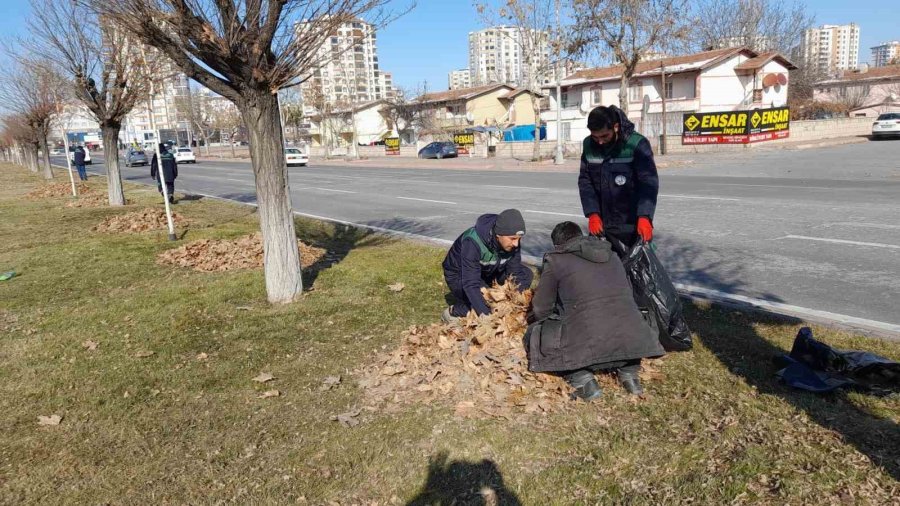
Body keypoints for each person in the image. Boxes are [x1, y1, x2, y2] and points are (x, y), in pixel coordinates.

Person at [525, 221, 665, 400]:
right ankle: (629, 375)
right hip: (633, 342)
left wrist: (542, 323)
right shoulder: (612, 255)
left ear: (558, 245)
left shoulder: (556, 260)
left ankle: (583, 380)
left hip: (587, 347)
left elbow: (541, 307)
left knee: (537, 332)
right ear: (580, 236)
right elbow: (626, 295)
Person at [578, 105, 659, 249]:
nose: (600, 141)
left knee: (636, 269)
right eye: (595, 137)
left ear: (615, 127)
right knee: (601, 268)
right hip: (602, 224)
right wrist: (592, 213)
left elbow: (648, 183)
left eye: (604, 136)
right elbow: (586, 181)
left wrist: (645, 216)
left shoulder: (636, 144)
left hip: (631, 223)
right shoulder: (589, 145)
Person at [441, 209, 534, 322]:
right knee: (486, 302)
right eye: (513, 239)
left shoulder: (512, 242)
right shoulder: (472, 242)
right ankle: (455, 311)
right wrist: (488, 316)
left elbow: (515, 273)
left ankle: (503, 305)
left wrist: (514, 302)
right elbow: (471, 284)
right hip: (460, 276)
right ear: (498, 235)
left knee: (526, 274)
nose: (516, 244)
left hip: (487, 272)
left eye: (519, 239)